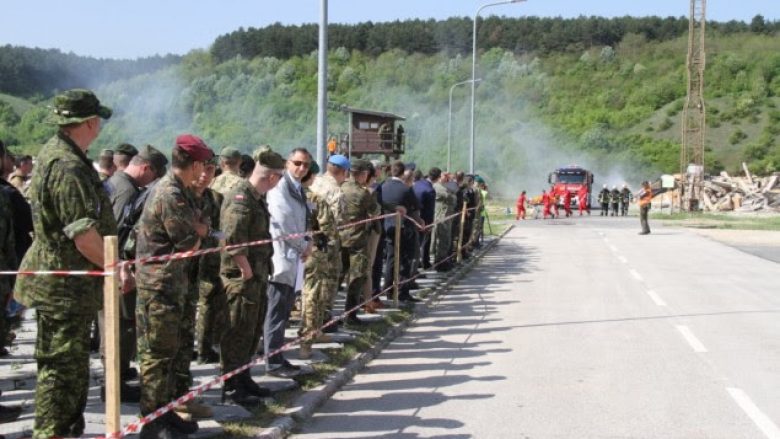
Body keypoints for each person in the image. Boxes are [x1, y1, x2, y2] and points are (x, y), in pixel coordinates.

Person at [14, 89, 116, 438]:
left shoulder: (64, 154)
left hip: (70, 287)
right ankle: (52, 432)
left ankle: (66, 429)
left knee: (70, 368)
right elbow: (83, 234)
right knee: (60, 370)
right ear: (89, 122)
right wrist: (116, 267)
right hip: (62, 289)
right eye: (97, 118)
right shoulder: (68, 164)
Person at [135, 134, 213, 438]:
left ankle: (165, 414)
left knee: (170, 354)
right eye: (203, 164)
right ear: (193, 164)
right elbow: (188, 243)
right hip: (160, 288)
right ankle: (152, 424)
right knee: (156, 358)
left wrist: (199, 228)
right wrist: (201, 230)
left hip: (172, 286)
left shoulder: (181, 191)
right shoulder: (170, 193)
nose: (205, 169)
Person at [219, 147, 285, 405]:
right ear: (271, 177)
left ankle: (244, 378)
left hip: (256, 275)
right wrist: (246, 271)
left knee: (251, 331)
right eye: (278, 178)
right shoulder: (241, 197)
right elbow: (233, 239)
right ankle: (232, 385)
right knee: (237, 331)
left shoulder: (256, 197)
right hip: (241, 278)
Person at [101, 145, 166, 403]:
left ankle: (115, 380)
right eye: (155, 175)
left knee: (116, 324)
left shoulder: (115, 182)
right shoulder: (127, 190)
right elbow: (116, 231)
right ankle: (114, 385)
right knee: (122, 326)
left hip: (111, 265)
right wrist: (122, 266)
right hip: (118, 267)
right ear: (146, 168)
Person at [264, 148, 313, 378]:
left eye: (306, 165)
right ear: (287, 162)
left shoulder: (296, 187)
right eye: (297, 163)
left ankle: (278, 355)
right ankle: (272, 360)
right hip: (281, 255)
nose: (301, 168)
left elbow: (301, 220)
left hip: (294, 256)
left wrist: (307, 241)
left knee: (284, 310)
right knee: (276, 311)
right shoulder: (280, 186)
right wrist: (303, 245)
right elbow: (283, 220)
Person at [301, 155, 346, 356]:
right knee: (314, 294)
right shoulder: (319, 196)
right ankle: (308, 337)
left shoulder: (292, 194)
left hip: (294, 250)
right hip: (317, 250)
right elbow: (330, 226)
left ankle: (312, 333)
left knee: (304, 294)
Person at [380, 161, 422, 303]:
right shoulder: (406, 189)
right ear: (403, 172)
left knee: (391, 259)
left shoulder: (383, 186)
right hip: (405, 228)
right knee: (405, 260)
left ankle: (388, 289)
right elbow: (415, 206)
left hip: (387, 227)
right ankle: (403, 291)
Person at [340, 159, 375, 325]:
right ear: (362, 174)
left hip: (339, 239)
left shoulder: (340, 188)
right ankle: (350, 313)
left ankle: (326, 314)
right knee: (357, 277)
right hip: (357, 240)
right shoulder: (363, 193)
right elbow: (375, 211)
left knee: (337, 277)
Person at [431, 168, 455, 271]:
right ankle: (440, 262)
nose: (446, 178)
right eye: (444, 175)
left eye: (447, 176)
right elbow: (450, 197)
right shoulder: (438, 186)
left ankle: (443, 260)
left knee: (446, 240)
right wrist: (452, 193)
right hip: (441, 217)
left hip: (446, 216)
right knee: (442, 240)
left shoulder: (445, 186)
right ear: (439, 176)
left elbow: (454, 193)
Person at [412, 170, 435, 269]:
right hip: (423, 220)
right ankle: (420, 265)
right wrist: (429, 224)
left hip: (412, 220)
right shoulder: (429, 189)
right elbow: (430, 209)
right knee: (421, 244)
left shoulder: (413, 187)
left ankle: (416, 266)